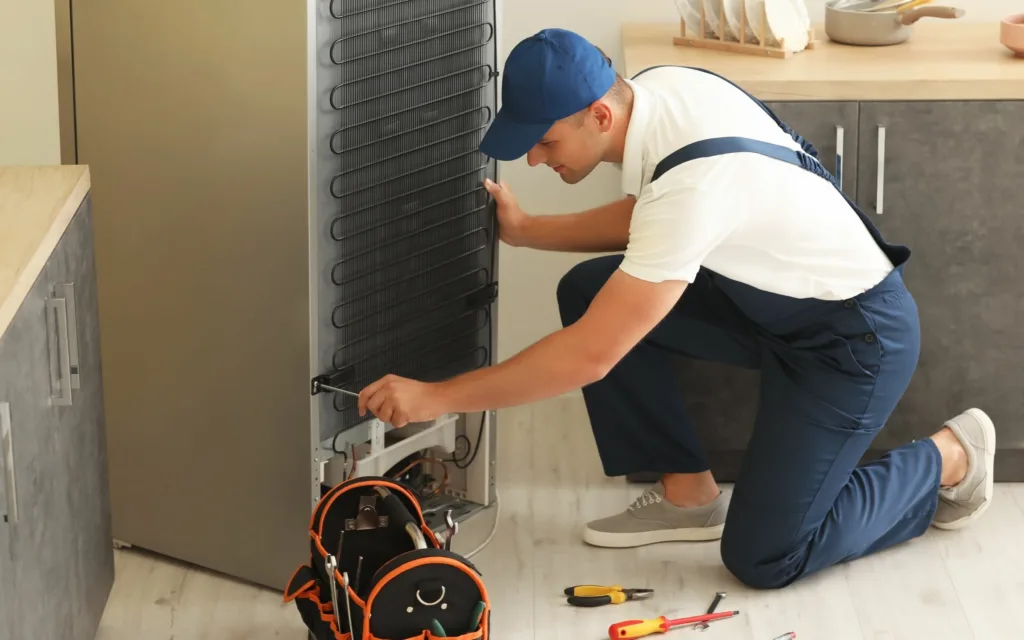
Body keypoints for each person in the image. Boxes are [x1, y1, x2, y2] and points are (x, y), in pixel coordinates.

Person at [356, 28, 997, 589]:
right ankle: (689, 496)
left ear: (600, 116)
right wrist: (530, 231)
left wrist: (437, 397)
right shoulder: (658, 91)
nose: (534, 158)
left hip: (851, 342)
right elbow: (657, 217)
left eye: (545, 142)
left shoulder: (694, 182)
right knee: (587, 292)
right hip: (765, 303)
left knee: (765, 558)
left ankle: (949, 455)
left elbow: (591, 355)